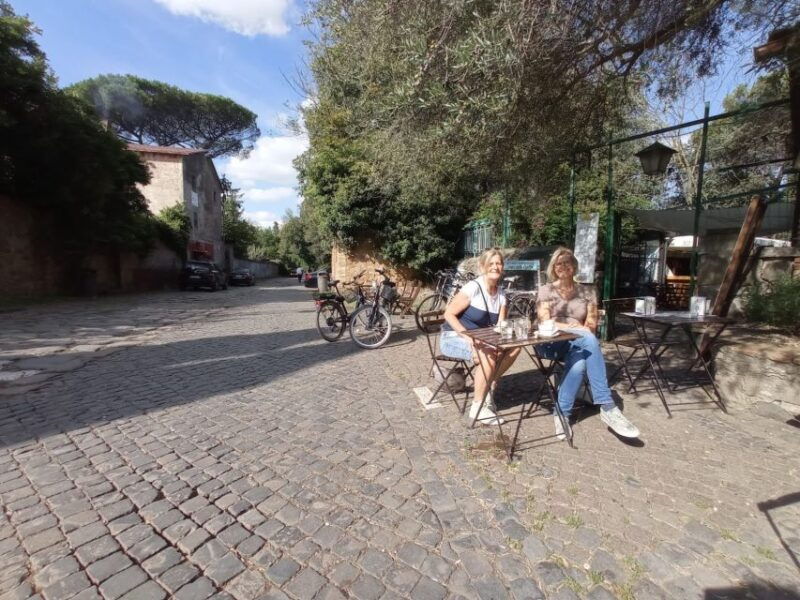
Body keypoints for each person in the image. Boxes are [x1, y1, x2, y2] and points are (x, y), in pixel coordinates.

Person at [536, 247, 640, 440]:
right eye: (559, 263)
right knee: (588, 340)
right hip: (550, 342)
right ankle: (607, 405)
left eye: (567, 262)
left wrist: (579, 329)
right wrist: (571, 326)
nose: (563, 266)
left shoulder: (588, 291)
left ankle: (562, 413)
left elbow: (591, 325)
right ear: (553, 267)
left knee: (581, 361)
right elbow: (544, 322)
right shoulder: (546, 290)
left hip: (578, 343)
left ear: (574, 266)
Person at [442, 248, 520, 425]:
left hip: (483, 340)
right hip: (453, 337)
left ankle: (487, 389)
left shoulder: (501, 295)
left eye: (498, 263)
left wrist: (511, 334)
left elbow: (499, 328)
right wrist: (468, 337)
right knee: (489, 354)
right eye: (491, 263)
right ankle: (478, 408)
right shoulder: (473, 288)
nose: (495, 267)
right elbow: (448, 314)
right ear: (483, 266)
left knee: (515, 347)